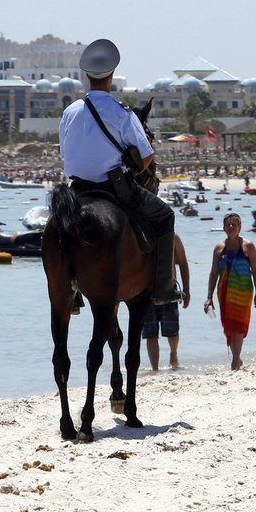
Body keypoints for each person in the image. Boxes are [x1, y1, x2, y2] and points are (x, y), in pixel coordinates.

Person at [59, 38, 180, 305]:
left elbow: (65, 153)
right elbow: (147, 155)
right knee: (165, 216)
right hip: (113, 187)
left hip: (77, 188)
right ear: (111, 76)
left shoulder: (69, 112)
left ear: (87, 76)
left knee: (58, 227)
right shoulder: (122, 112)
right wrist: (130, 169)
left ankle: (71, 292)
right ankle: (164, 287)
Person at [204, 213, 256, 370]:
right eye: (228, 224)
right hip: (224, 293)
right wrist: (209, 297)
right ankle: (238, 358)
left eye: (234, 224)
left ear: (240, 227)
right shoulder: (219, 248)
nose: (231, 227)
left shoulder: (248, 246)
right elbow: (213, 273)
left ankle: (235, 362)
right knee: (228, 326)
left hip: (243, 292)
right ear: (223, 228)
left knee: (238, 326)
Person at [144, 234, 191, 371]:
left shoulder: (173, 237)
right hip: (146, 290)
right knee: (150, 333)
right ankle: (155, 369)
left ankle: (173, 353)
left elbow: (183, 263)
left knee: (172, 330)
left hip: (168, 287)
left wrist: (186, 289)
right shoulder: (142, 234)